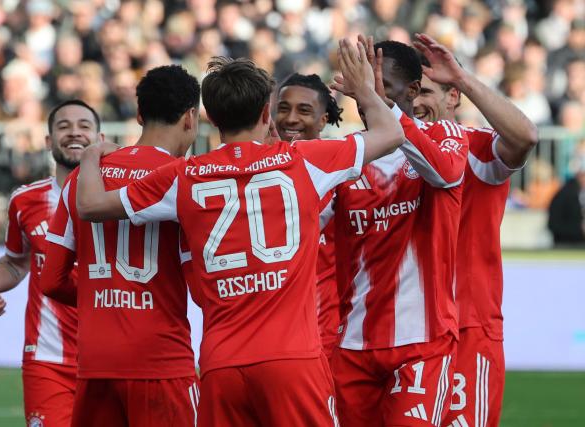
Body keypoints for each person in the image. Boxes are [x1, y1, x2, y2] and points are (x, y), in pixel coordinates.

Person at [74, 40, 404, 426]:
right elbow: (391, 133)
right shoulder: (305, 161)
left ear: (210, 118)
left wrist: (91, 155)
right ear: (267, 112)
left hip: (221, 365)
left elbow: (91, 206)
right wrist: (363, 89)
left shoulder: (183, 176)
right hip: (292, 360)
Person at [39, 66, 201, 426]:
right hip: (161, 362)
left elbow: (50, 280)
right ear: (190, 118)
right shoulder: (183, 179)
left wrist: (102, 293)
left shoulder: (86, 175)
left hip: (96, 365)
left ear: (140, 114)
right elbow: (203, 288)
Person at [329, 38, 469, 426]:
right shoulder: (345, 156)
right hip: (352, 344)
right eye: (362, 87)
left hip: (421, 343)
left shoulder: (445, 135)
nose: (366, 97)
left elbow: (446, 173)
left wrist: (381, 106)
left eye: (380, 86)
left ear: (410, 91)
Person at [413, 33, 538, 427]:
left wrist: (463, 78)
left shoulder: (478, 148)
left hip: (468, 325)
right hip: (404, 330)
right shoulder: (387, 153)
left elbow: (526, 138)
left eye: (428, 91)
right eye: (410, 91)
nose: (416, 102)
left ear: (453, 98)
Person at [0, 100, 103, 426]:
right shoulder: (25, 201)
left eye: (84, 125)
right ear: (48, 141)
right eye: (63, 126)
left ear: (100, 138)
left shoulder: (121, 197)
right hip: (48, 360)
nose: (74, 131)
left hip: (109, 356)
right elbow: (16, 262)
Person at [274, 72, 344, 359]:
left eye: (304, 110)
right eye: (283, 108)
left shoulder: (343, 169)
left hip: (324, 329)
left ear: (324, 120)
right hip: (268, 329)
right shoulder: (254, 167)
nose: (291, 119)